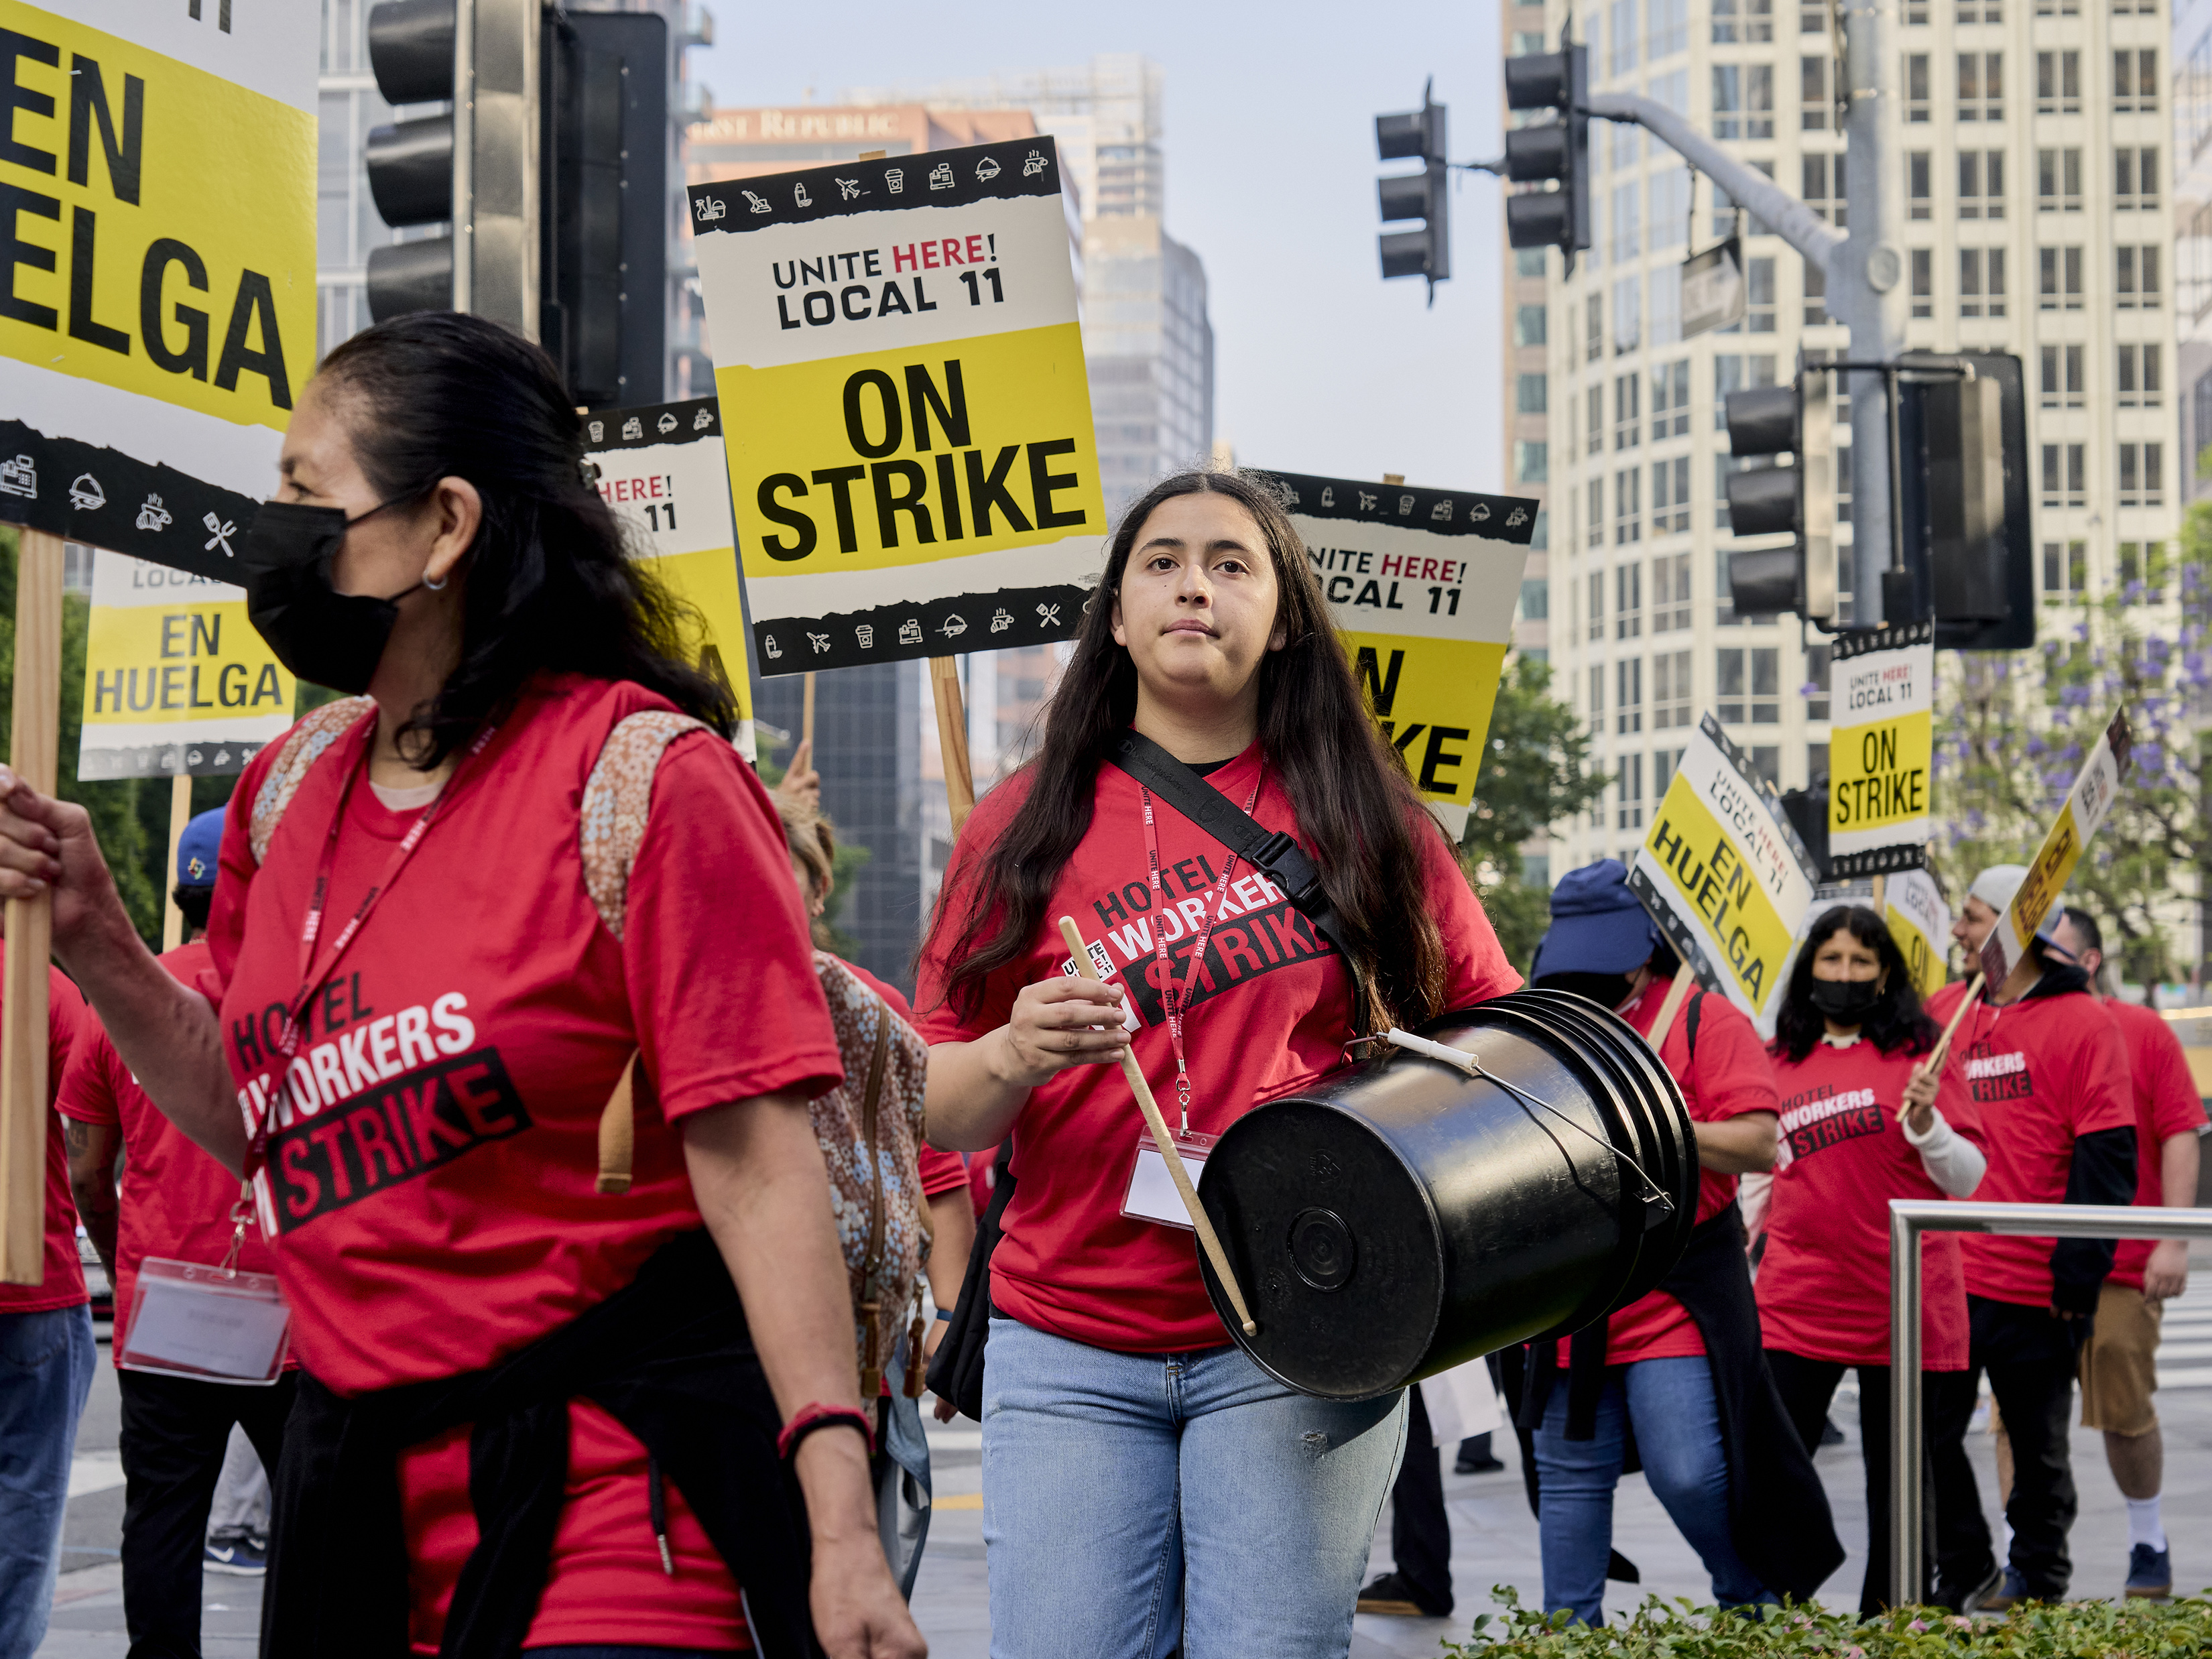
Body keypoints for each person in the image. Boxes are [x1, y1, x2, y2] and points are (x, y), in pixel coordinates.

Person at [0, 312, 922, 1659]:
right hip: (352, 1494)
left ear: (444, 526)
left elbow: (755, 1165)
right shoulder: (286, 787)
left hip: (612, 1486)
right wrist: (99, 941)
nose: (273, 534)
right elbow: (268, 1120)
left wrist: (839, 1521)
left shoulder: (651, 780)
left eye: (306, 495)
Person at [914, 468, 1522, 1657]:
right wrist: (1014, 1049)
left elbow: (1492, 1041)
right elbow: (941, 1108)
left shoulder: (1370, 822)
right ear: (1119, 616)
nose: (1196, 583)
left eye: (1233, 563)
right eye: (1163, 561)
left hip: (1303, 1336)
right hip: (1067, 1345)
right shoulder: (1018, 825)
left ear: (1285, 615)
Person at [1504, 859, 1841, 1628]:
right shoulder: (1539, 1019)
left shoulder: (1702, 1018)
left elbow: (1759, 1144)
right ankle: (1567, 1643)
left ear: (1649, 943)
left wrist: (1653, 1127)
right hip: (1574, 1296)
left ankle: (1750, 1595)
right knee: (1568, 1480)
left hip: (1675, 1289)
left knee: (1690, 1472)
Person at [61, 806, 299, 1652]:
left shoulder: (124, 1002)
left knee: (161, 1521)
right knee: (308, 1531)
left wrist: (130, 1249)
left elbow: (89, 1170)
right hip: (293, 1311)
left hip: (163, 1314)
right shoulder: (304, 999)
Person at [1755, 904, 1993, 1611]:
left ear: (1886, 972)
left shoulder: (1925, 1055)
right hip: (1798, 1300)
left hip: (1906, 1302)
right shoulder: (1778, 1059)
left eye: (1862, 962)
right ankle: (1775, 1615)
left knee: (1902, 1489)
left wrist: (1927, 1126)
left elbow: (1970, 1179)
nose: (1846, 975)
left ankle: (1886, 1628)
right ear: (1809, 969)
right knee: (1774, 1474)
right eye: (1832, 960)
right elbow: (1766, 1170)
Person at [773, 788, 975, 1579]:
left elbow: (936, 1172)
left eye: (780, 866)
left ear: (819, 888)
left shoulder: (870, 1010)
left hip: (864, 1349)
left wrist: (951, 1316)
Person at [1928, 865, 2136, 1608]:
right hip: (1943, 1273)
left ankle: (2039, 1584)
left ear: (2019, 932)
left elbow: (2108, 1154)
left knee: (2037, 1450)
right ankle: (1965, 1569)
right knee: (1927, 1436)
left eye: (1975, 918)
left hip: (2032, 1279)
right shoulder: (1945, 1012)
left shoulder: (2085, 1023)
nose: (1958, 931)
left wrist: (2077, 1277)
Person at [2048, 905, 2205, 1599]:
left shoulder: (2142, 1030)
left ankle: (2149, 1539)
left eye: (2052, 952)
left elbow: (2179, 1131)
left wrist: (2172, 1240)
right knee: (2016, 1414)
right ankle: (2030, 1551)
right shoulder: (2012, 1027)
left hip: (2121, 1259)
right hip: (2028, 1263)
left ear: (2088, 962)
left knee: (2122, 1399)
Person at [0, 944, 90, 1659]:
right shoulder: (43, 985)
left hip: (37, 1292)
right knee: (26, 1516)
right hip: (33, 1288)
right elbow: (94, 1121)